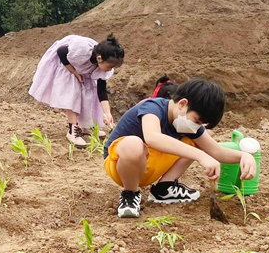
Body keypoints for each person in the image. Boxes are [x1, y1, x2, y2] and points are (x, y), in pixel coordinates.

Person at [103, 78, 256, 218]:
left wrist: (243, 156)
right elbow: (152, 137)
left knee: (194, 141)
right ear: (182, 104)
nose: (198, 126)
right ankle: (130, 194)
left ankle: (164, 189)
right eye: (197, 120)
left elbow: (217, 151)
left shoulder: (188, 126)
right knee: (133, 144)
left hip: (150, 166)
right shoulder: (152, 107)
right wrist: (201, 156)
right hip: (121, 167)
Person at [28, 34, 125, 148]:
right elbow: (61, 52)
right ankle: (72, 131)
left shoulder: (100, 64)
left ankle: (86, 127)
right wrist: (75, 72)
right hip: (67, 65)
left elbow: (101, 90)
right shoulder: (81, 51)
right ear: (99, 59)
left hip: (82, 68)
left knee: (89, 95)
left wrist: (107, 113)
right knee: (73, 95)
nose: (110, 70)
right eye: (109, 67)